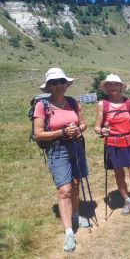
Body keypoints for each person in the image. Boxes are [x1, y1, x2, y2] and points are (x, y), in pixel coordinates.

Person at [33, 68, 90, 253]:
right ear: (49, 86)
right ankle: (68, 232)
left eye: (61, 82)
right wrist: (62, 132)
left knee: (75, 182)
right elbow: (38, 134)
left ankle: (76, 215)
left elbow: (84, 123)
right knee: (64, 190)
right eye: (53, 83)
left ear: (66, 84)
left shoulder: (72, 102)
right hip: (57, 150)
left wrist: (78, 129)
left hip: (76, 146)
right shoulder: (42, 105)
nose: (58, 86)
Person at [94, 74, 130, 222]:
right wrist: (102, 131)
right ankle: (127, 201)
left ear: (120, 86)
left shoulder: (128, 102)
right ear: (106, 87)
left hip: (129, 142)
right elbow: (97, 127)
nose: (113, 87)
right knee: (119, 175)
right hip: (112, 144)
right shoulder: (102, 104)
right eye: (109, 85)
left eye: (115, 84)